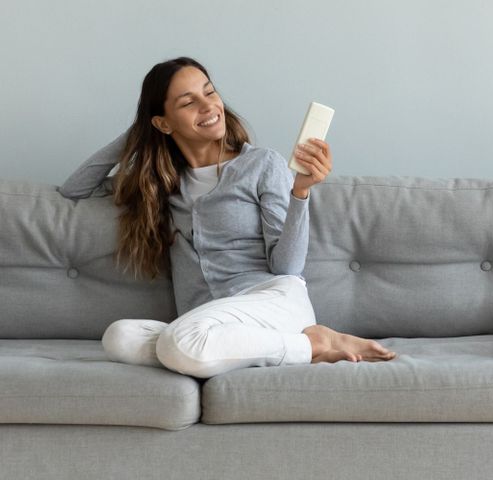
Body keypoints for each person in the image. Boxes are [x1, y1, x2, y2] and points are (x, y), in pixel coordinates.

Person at [59, 56, 396, 378]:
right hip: (210, 324)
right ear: (163, 122)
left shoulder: (261, 164)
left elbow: (288, 267)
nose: (208, 106)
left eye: (209, 91)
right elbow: (76, 188)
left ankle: (311, 342)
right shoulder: (160, 183)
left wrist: (300, 192)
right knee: (119, 337)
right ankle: (240, 353)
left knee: (180, 342)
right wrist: (140, 134)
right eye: (188, 102)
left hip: (271, 303)